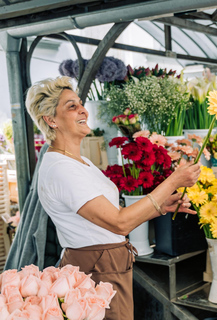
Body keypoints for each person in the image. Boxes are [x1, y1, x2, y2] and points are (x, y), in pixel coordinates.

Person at [25, 76, 200, 320]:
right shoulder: (61, 168)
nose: (82, 110)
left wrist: (160, 207)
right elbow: (119, 223)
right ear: (51, 120)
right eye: (71, 106)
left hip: (107, 264)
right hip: (97, 268)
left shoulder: (80, 161)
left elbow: (113, 217)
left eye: (80, 103)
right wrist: (173, 181)